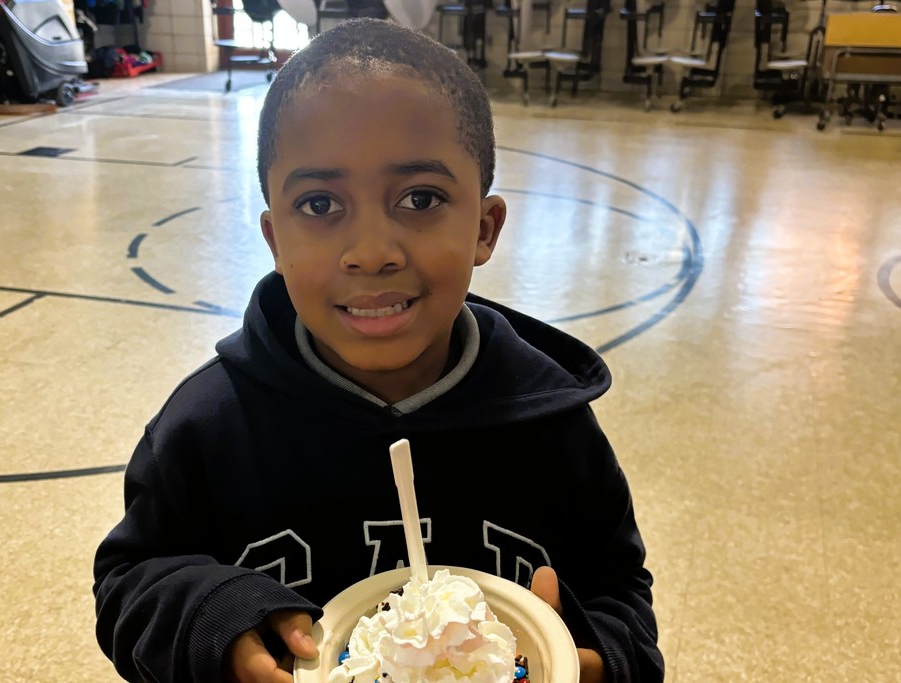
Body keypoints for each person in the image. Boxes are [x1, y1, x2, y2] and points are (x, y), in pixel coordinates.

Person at [93, 18, 662, 683]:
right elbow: (130, 583)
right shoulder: (207, 427)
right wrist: (217, 621)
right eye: (319, 202)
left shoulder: (555, 427)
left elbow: (622, 596)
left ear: (484, 227)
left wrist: (589, 662)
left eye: (420, 198)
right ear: (275, 241)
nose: (371, 253)